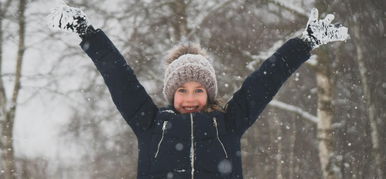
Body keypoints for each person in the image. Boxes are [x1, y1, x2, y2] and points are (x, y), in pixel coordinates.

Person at [48, 5, 348, 179]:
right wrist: (86, 32)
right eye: (181, 89)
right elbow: (118, 77)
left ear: (210, 93)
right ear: (170, 93)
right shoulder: (151, 125)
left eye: (198, 90)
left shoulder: (228, 123)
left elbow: (266, 80)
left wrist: (305, 42)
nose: (190, 97)